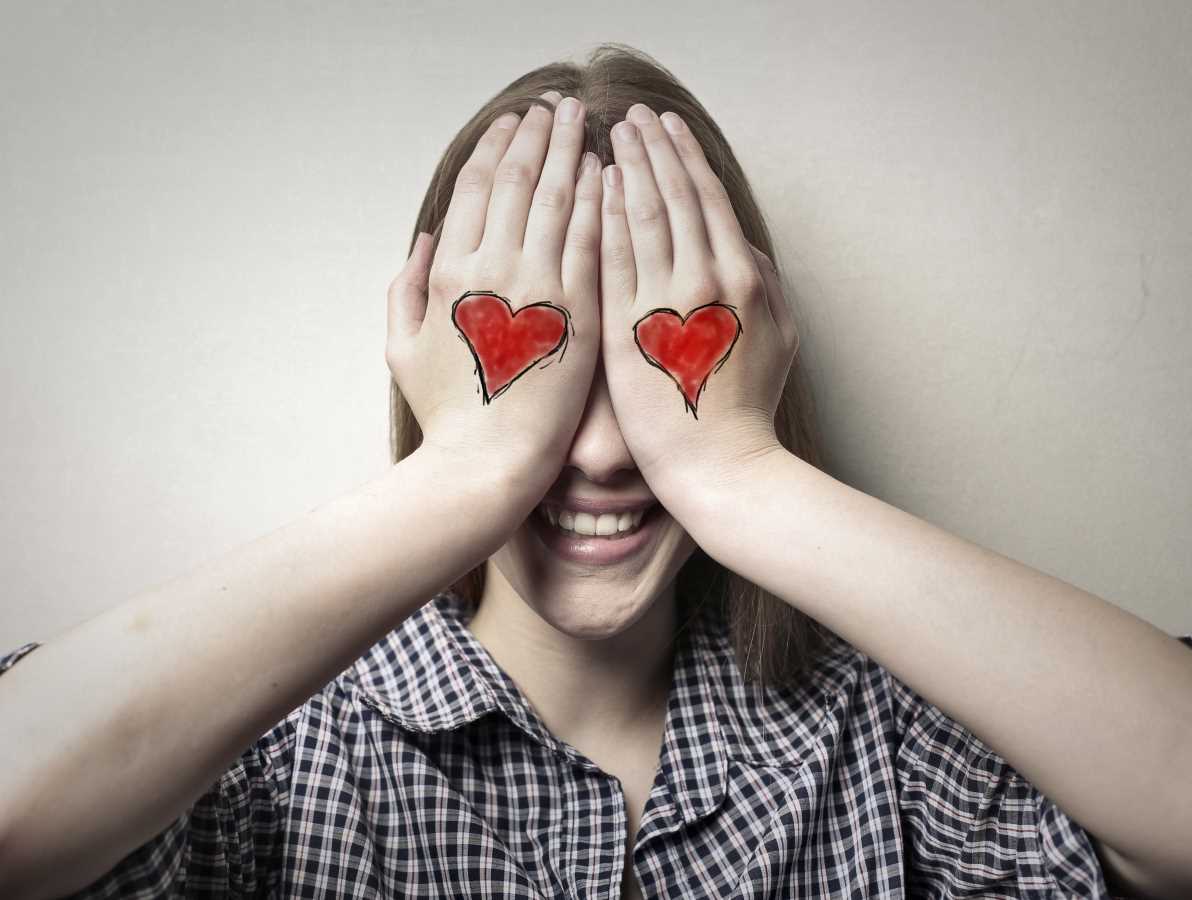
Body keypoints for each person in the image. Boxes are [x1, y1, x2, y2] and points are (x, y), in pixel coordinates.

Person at [0, 42, 1188, 900]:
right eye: (544, 368)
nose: (610, 449)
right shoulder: (272, 744)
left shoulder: (879, 731)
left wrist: (737, 471)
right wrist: (462, 477)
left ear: (755, 358)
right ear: (429, 366)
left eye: (646, 359)